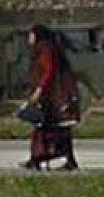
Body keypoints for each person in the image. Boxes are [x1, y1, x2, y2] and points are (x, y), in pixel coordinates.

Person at [21, 25, 81, 171]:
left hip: (54, 97)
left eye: (31, 35)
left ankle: (39, 158)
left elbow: (48, 71)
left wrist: (39, 90)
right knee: (53, 129)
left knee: (52, 128)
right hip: (51, 96)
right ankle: (40, 158)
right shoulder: (43, 50)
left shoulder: (45, 50)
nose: (29, 38)